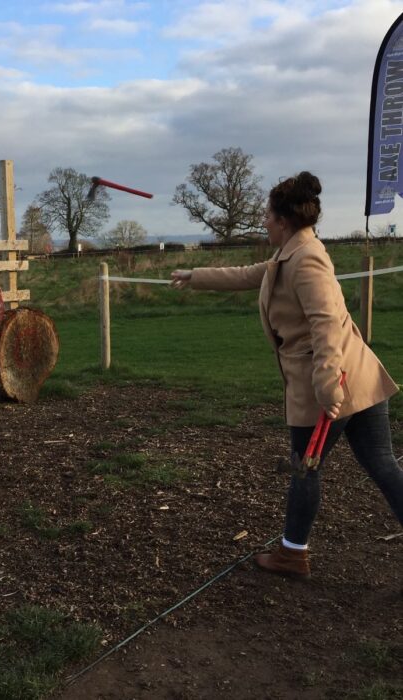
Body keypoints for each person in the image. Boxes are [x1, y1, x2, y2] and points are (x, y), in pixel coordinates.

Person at [171, 171, 403, 579]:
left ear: (282, 220)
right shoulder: (292, 253)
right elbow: (251, 274)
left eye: (266, 214)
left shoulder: (306, 258)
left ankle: (293, 555)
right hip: (355, 376)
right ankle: (292, 551)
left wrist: (328, 388)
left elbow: (327, 323)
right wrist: (197, 277)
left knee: (305, 468)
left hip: (328, 383)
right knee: (382, 467)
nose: (262, 221)